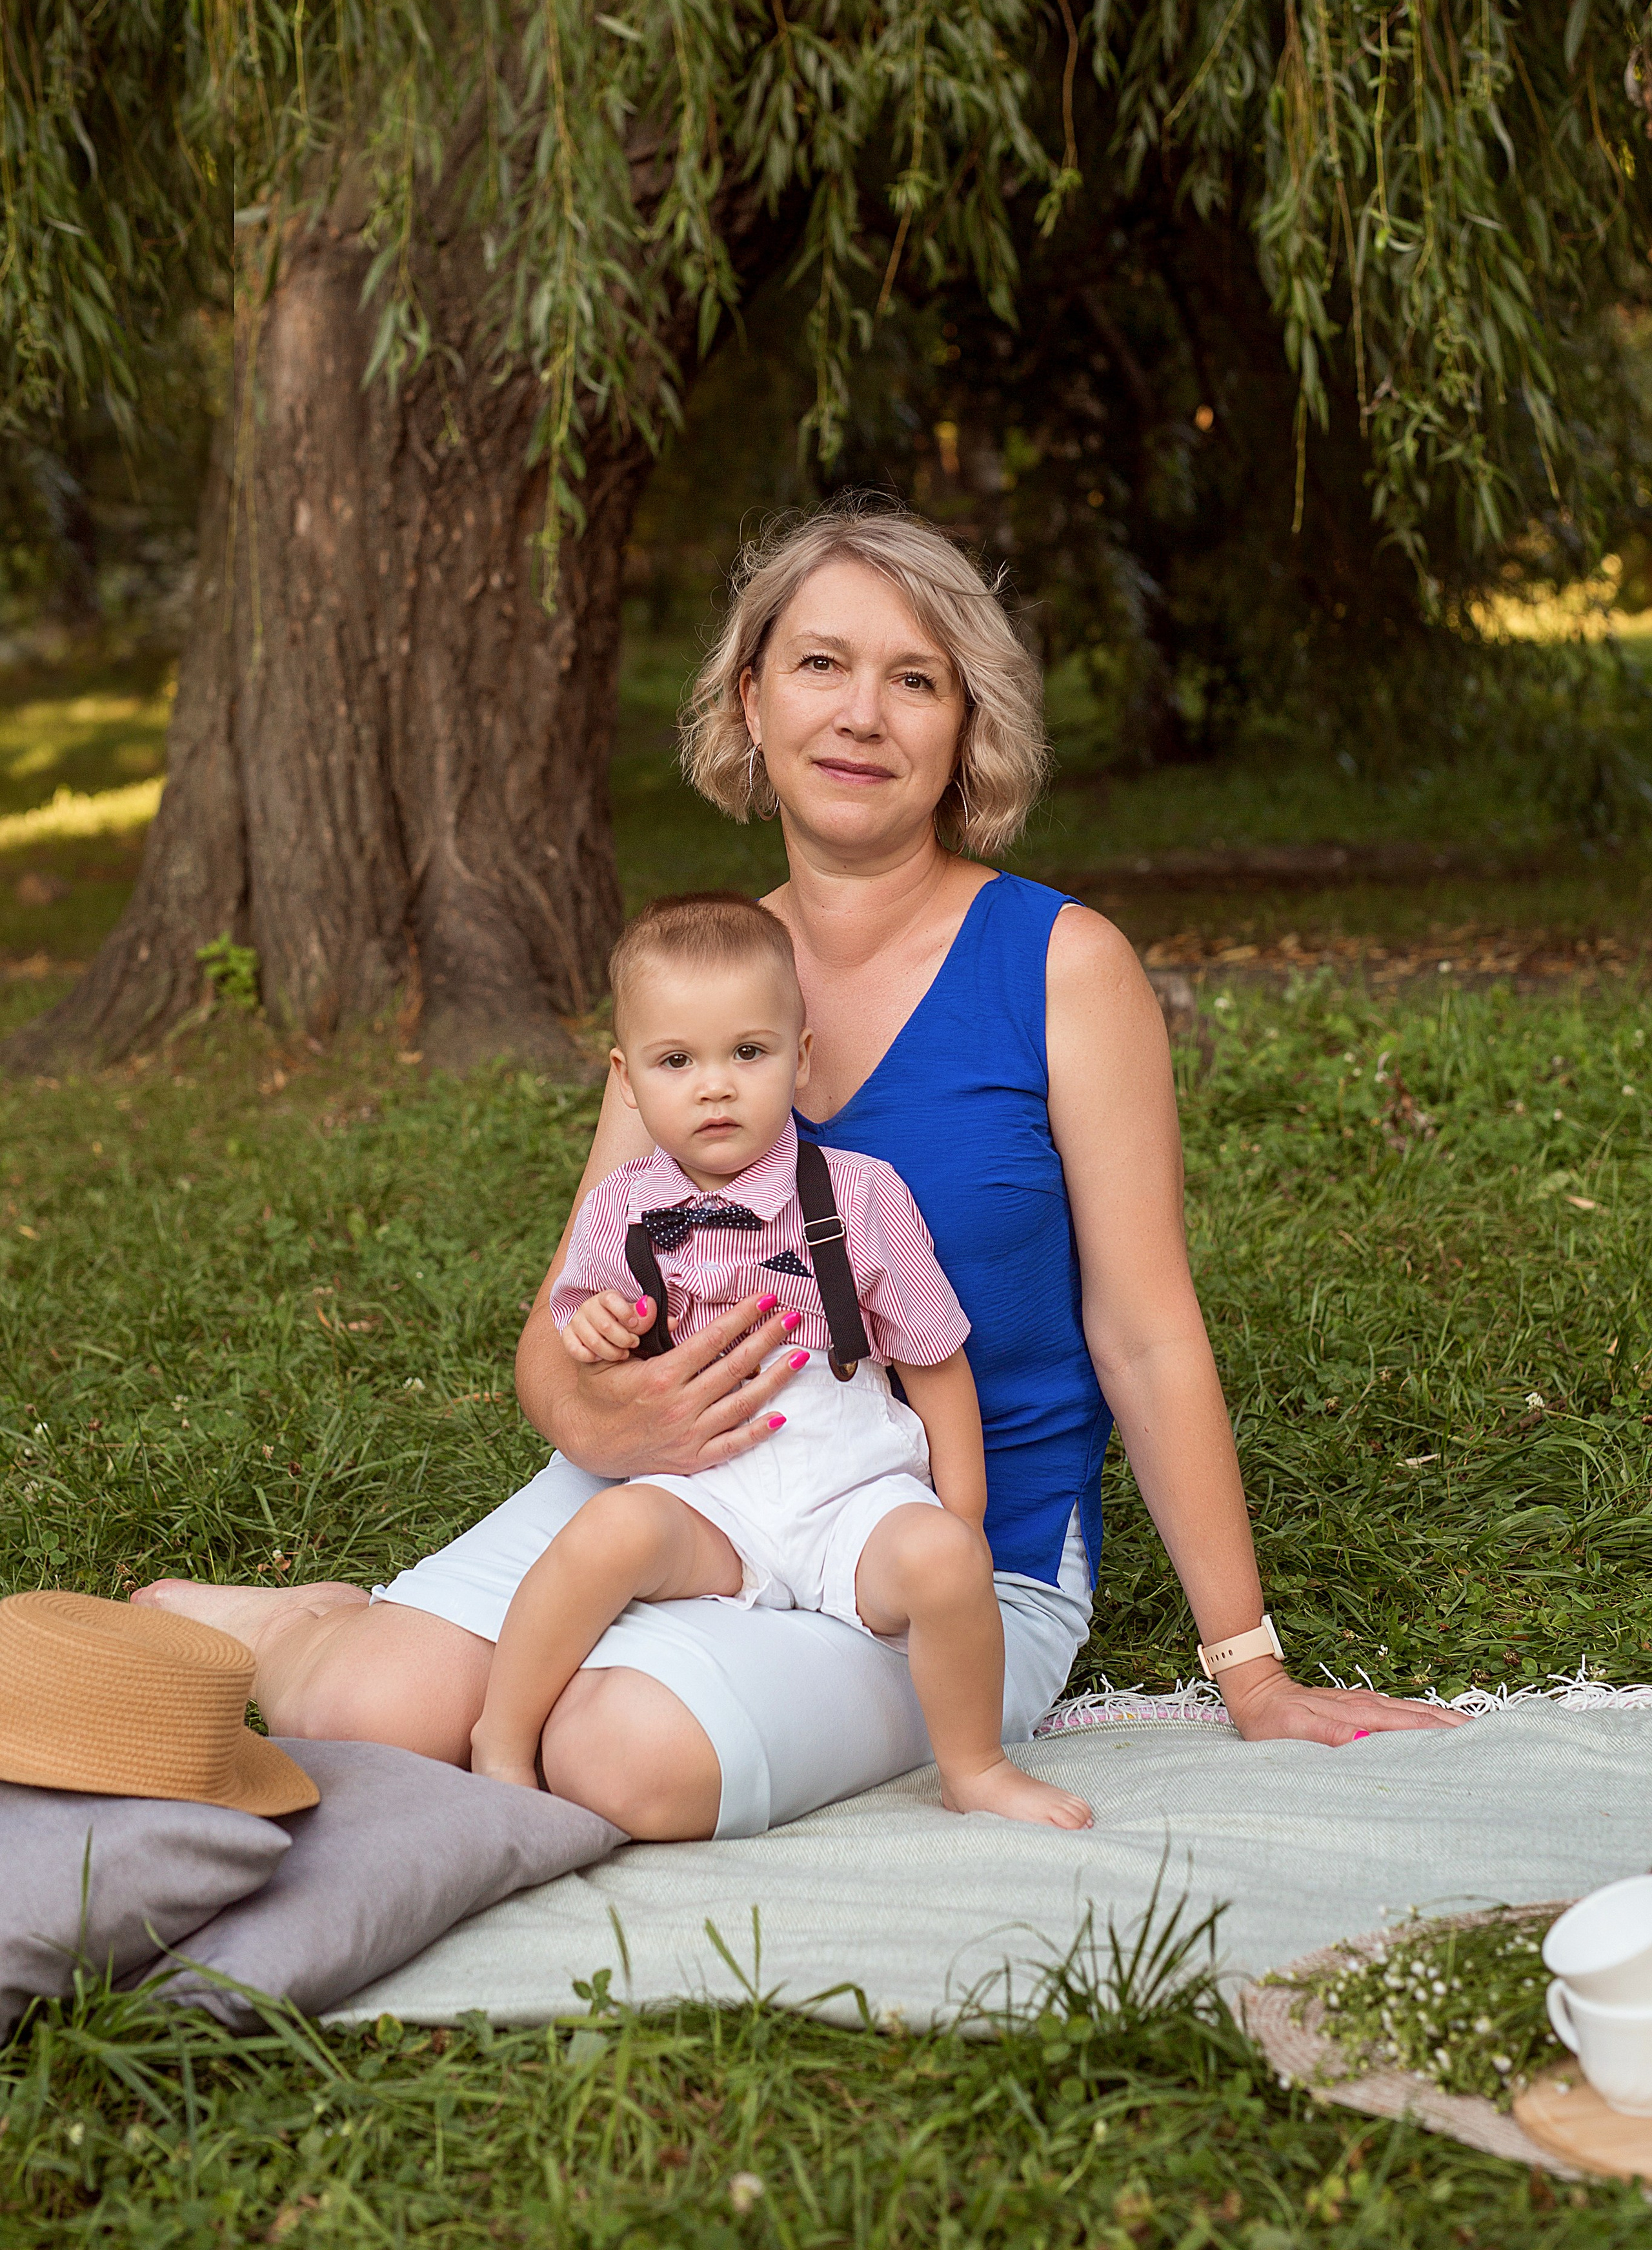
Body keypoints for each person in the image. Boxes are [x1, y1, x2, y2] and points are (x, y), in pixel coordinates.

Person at [135, 495, 1465, 1838]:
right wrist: (608, 1423)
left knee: (622, 1754)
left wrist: (1249, 1665)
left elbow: (1142, 1330)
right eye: (821, 664)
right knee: (366, 1709)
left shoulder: (1061, 966)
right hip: (669, 1496)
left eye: (914, 680)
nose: (860, 715)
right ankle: (307, 1623)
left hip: (936, 1561)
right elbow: (553, 1341)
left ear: (967, 730)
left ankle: (585, 1663)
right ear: (752, 698)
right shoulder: (690, 988)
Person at [468, 890, 1092, 1829]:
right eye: (677, 1060)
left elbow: (935, 1358)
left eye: (747, 1053)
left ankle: (974, 1766)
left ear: (799, 1059)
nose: (714, 1085)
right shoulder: (619, 1211)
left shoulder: (860, 1195)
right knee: (606, 1536)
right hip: (711, 1490)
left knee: (940, 1559)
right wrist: (595, 1331)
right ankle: (501, 1739)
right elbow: (587, 1340)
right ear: (627, 1079)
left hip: (850, 1489)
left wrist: (959, 1519)